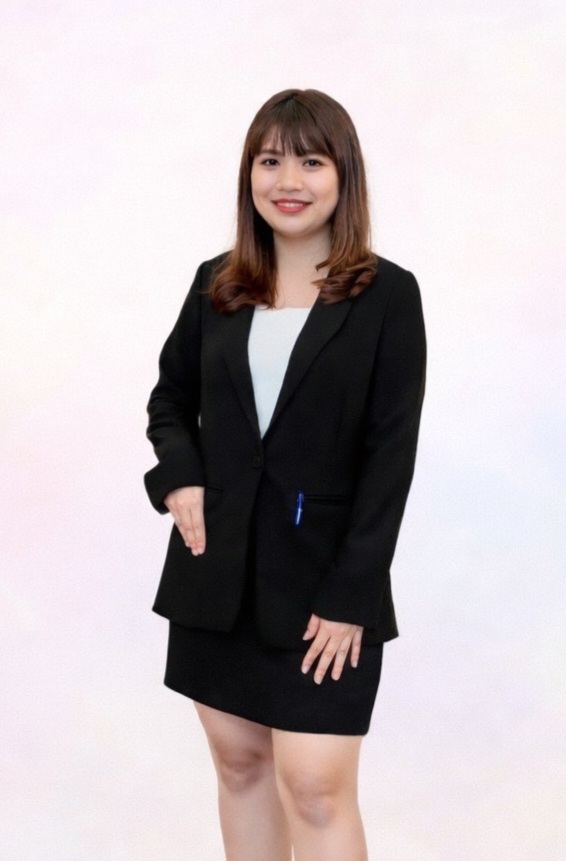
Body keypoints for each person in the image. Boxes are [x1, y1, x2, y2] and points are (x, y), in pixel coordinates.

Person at [144, 88, 426, 861]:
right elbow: (170, 400)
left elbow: (391, 457)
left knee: (315, 787)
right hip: (215, 575)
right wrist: (180, 476)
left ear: (344, 175)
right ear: (249, 175)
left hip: (323, 587)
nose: (288, 180)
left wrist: (351, 595)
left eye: (310, 161)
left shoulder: (388, 295)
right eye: (270, 161)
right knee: (240, 767)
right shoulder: (216, 283)